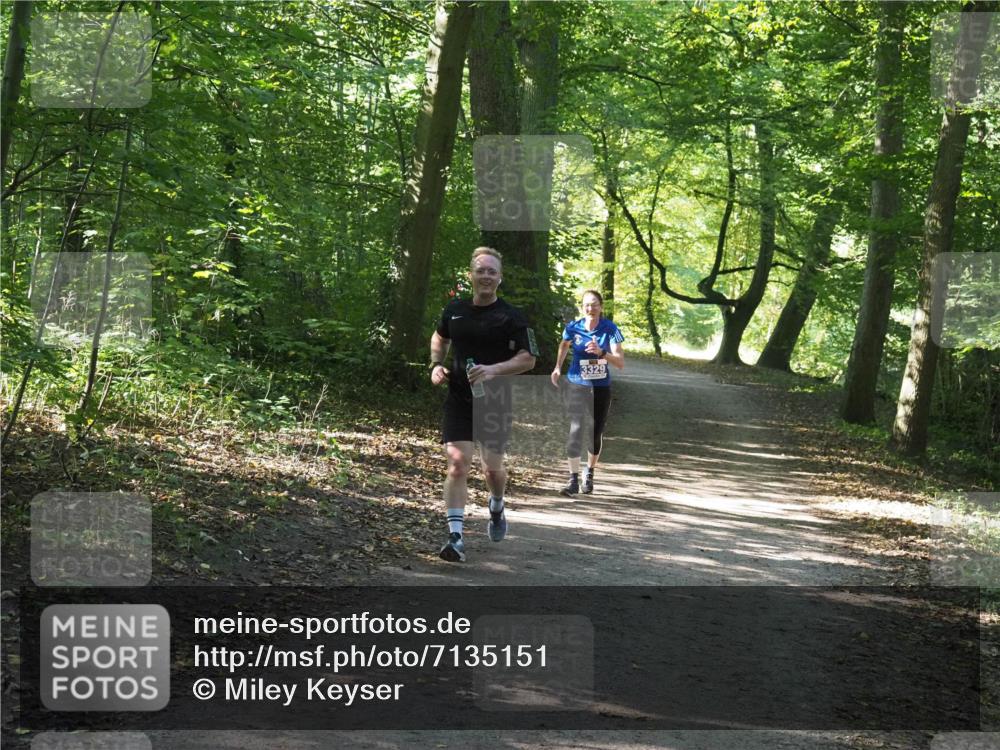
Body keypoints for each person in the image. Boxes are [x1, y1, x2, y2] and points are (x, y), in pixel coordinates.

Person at [429, 247, 538, 562]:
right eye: (481, 270)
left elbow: (529, 359)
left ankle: (497, 504)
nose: (486, 276)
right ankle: (455, 538)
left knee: (492, 470)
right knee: (457, 464)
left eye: (492, 271)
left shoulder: (513, 316)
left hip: (496, 403)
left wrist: (493, 370)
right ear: (471, 275)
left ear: (500, 278)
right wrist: (436, 364)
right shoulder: (455, 310)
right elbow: (440, 338)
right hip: (460, 399)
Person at [550, 290, 625, 496]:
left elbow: (620, 362)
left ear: (601, 306)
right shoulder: (573, 327)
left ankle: (589, 472)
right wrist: (558, 366)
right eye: (586, 305)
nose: (590, 308)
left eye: (594, 304)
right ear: (582, 307)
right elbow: (564, 344)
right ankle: (573, 479)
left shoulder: (610, 329)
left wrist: (602, 353)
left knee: (594, 432)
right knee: (575, 429)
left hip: (600, 387)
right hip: (577, 383)